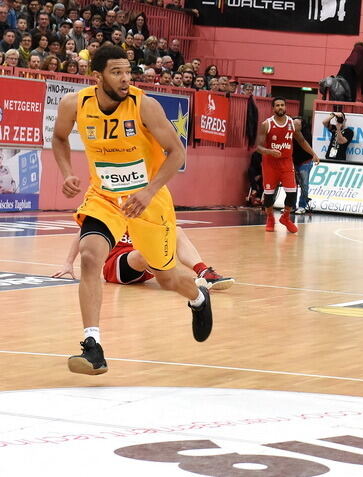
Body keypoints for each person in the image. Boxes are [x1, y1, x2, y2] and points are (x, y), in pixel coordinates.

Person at [51, 46, 214, 375]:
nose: (125, 78)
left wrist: (150, 190)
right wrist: (67, 171)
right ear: (97, 77)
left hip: (149, 200)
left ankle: (197, 297)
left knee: (167, 277)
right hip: (105, 196)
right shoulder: (75, 104)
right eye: (116, 72)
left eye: (128, 71)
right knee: (90, 255)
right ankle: (92, 346)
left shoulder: (145, 106)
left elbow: (176, 153)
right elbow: (58, 137)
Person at [53, 226, 235, 291]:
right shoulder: (112, 205)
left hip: (146, 262)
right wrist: (68, 263)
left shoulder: (149, 203)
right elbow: (83, 231)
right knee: (142, 254)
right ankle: (184, 281)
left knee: (176, 231)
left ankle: (203, 272)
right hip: (117, 264)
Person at [255, 97, 319, 233]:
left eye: (282, 105)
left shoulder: (292, 123)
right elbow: (258, 147)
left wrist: (313, 154)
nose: (280, 107)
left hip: (286, 163)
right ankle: (270, 218)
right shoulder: (266, 124)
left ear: (285, 107)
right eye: (277, 105)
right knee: (268, 196)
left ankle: (285, 217)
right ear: (273, 108)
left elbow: (301, 141)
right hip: (270, 164)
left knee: (292, 193)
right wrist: (269, 151)